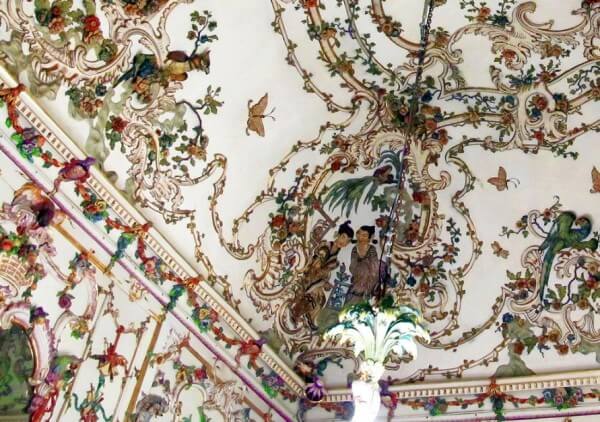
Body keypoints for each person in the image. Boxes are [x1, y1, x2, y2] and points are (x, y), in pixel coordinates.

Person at [290, 221, 354, 330]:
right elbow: (316, 268)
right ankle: (296, 312)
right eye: (343, 237)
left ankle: (308, 318)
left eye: (347, 241)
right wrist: (323, 282)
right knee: (315, 295)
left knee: (322, 299)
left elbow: (323, 272)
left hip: (316, 279)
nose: (344, 242)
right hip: (309, 275)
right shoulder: (326, 247)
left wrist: (325, 282)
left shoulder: (335, 258)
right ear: (338, 235)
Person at [346, 225, 379, 305]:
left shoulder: (371, 249)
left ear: (369, 238)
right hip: (358, 277)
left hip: (369, 278)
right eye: (360, 234)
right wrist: (360, 270)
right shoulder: (355, 249)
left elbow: (374, 266)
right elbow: (352, 266)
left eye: (364, 235)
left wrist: (365, 269)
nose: (361, 237)